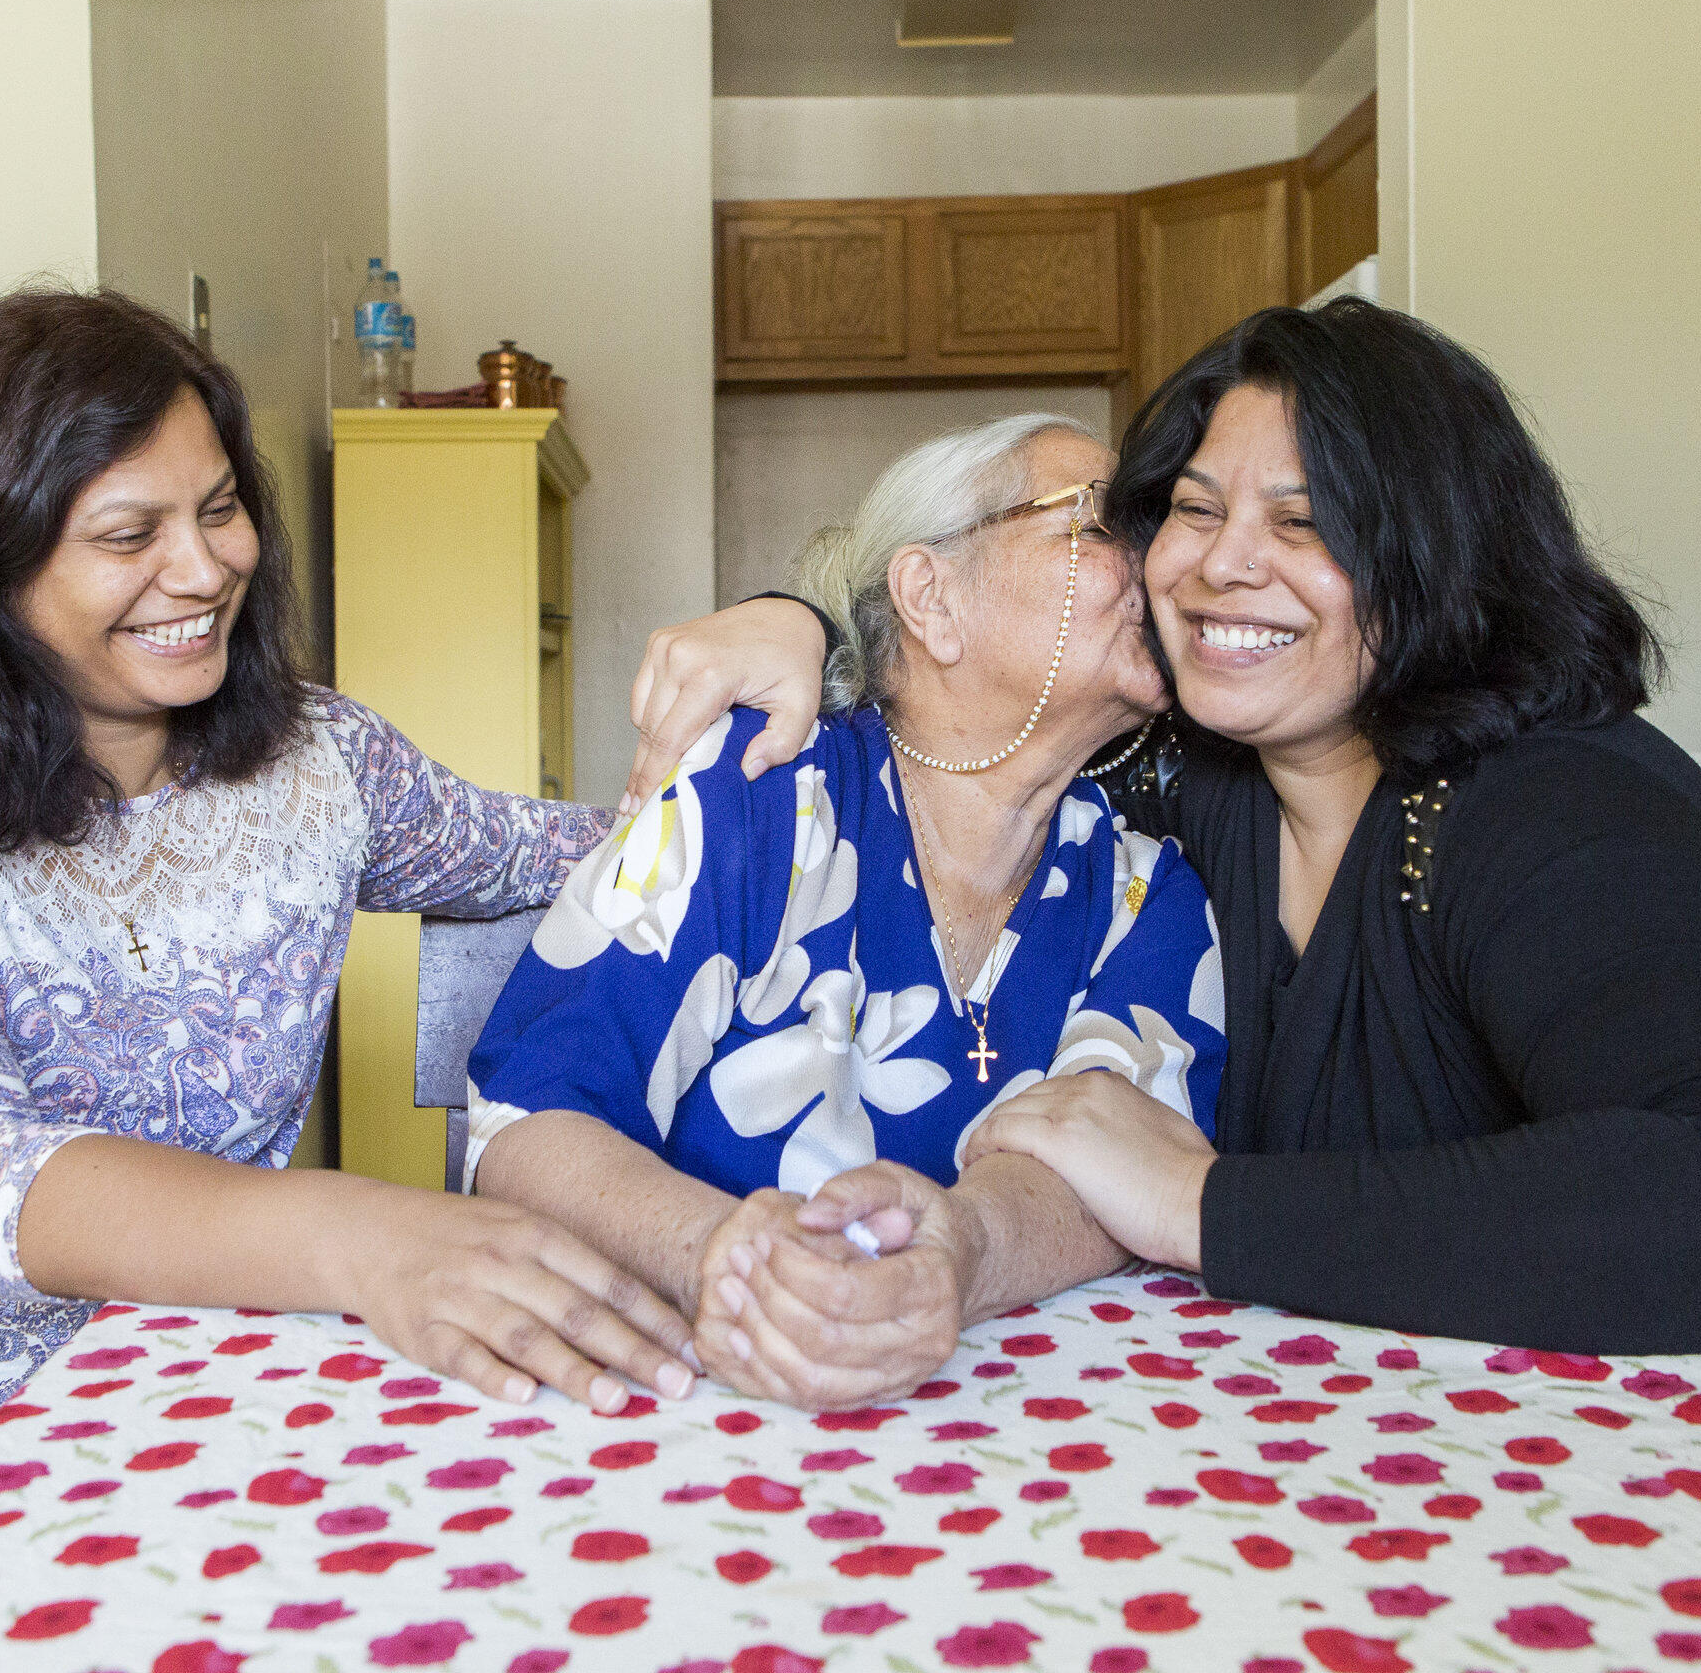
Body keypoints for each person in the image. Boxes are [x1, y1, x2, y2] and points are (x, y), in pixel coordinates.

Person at [0, 291, 696, 1673]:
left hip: (199, 1411)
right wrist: (369, 1230)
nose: (208, 567)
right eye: (129, 534)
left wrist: (783, 658)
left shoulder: (320, 767)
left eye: (223, 509)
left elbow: (599, 856)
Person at [619, 300, 1701, 1362]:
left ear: (1438, 554)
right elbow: (961, 715)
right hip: (1444, 1442)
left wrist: (1199, 1207)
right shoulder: (1195, 786)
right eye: (1194, 512)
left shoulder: (1560, 804)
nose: (1221, 565)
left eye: (1308, 523)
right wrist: (797, 620)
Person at [471, 415, 1225, 1411]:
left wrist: (963, 1252)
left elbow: (1138, 1175)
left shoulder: (1144, 891)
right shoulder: (756, 795)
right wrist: (725, 1261)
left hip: (1010, 1442)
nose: (1161, 560)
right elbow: (528, 1123)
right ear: (932, 598)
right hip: (684, 1404)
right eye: (1097, 522)